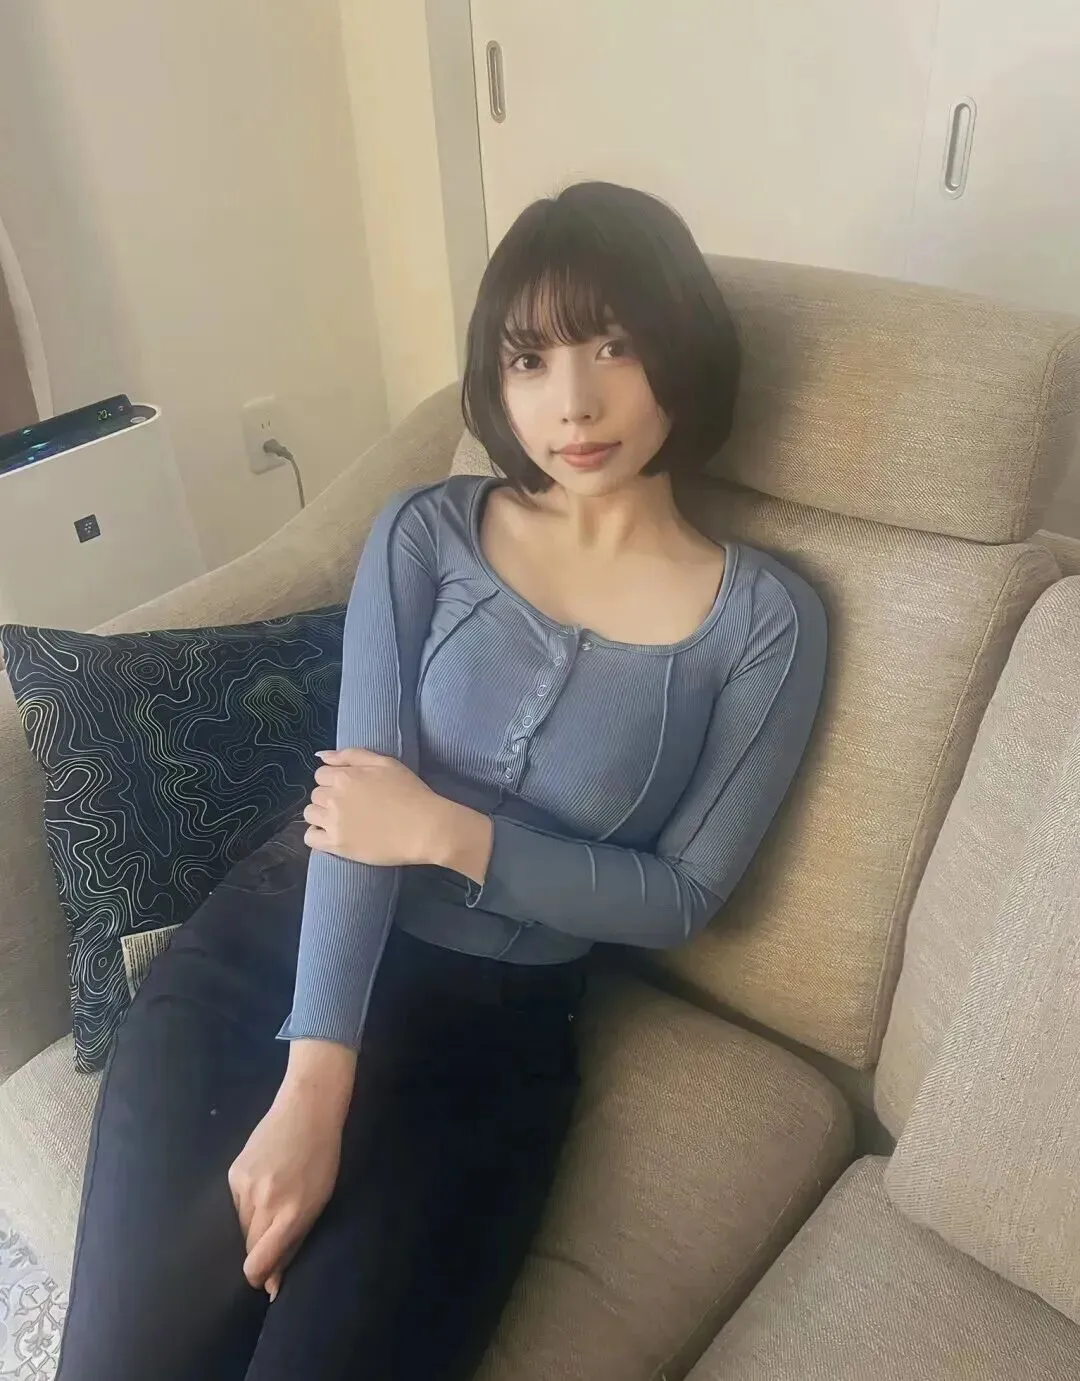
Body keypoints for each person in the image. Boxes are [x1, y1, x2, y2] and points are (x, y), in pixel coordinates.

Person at [56, 181, 826, 1381]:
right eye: (530, 359)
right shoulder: (427, 533)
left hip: (488, 1047)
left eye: (614, 346)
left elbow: (684, 895)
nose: (573, 402)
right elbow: (351, 819)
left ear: (682, 345)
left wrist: (449, 832)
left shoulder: (766, 622)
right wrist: (314, 1090)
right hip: (280, 954)